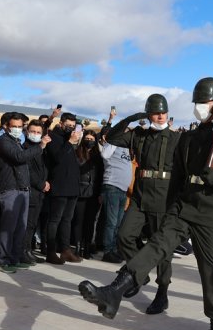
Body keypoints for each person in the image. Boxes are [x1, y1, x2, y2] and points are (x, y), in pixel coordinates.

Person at [79, 77, 213, 330]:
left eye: (204, 102)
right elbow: (179, 178)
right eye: (196, 103)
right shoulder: (188, 137)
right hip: (184, 206)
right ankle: (115, 291)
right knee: (156, 245)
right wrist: (173, 209)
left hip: (211, 211)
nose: (199, 108)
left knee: (208, 272)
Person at [104, 93, 182, 314]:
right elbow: (110, 137)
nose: (159, 116)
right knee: (124, 236)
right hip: (140, 194)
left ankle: (162, 293)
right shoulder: (138, 134)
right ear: (148, 115)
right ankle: (140, 272)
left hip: (164, 196)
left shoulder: (177, 138)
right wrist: (131, 118)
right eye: (155, 113)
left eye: (162, 112)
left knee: (163, 250)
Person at [0, 112, 50, 273]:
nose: (18, 129)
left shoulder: (17, 141)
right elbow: (19, 157)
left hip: (23, 189)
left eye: (20, 126)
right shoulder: (4, 141)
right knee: (8, 227)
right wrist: (40, 146)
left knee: (20, 227)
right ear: (6, 126)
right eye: (14, 126)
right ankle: (3, 260)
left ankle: (14, 258)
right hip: (10, 189)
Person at [43, 112, 81, 264]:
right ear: (61, 124)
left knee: (67, 220)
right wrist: (70, 142)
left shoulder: (68, 139)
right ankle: (51, 251)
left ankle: (65, 250)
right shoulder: (53, 137)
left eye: (73, 126)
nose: (70, 128)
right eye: (68, 125)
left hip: (72, 186)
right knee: (55, 220)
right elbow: (58, 158)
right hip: (59, 185)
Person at [97, 124, 133, 263]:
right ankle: (108, 251)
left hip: (122, 189)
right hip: (112, 186)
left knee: (118, 223)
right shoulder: (112, 144)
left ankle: (114, 249)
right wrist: (113, 138)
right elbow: (104, 154)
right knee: (111, 222)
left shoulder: (126, 147)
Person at [22, 119, 50, 265]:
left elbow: (44, 168)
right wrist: (41, 184)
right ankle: (23, 251)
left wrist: (45, 182)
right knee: (27, 224)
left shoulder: (41, 148)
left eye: (38, 132)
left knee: (32, 224)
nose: (35, 134)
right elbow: (29, 171)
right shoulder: (26, 147)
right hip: (30, 190)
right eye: (33, 131)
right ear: (27, 132)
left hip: (39, 192)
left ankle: (28, 250)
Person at [73, 130, 103, 259]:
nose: (89, 141)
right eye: (87, 138)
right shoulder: (77, 153)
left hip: (94, 194)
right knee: (78, 221)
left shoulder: (99, 157)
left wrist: (101, 193)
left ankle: (87, 247)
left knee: (90, 222)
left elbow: (101, 176)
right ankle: (78, 247)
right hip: (80, 191)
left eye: (92, 139)